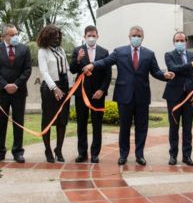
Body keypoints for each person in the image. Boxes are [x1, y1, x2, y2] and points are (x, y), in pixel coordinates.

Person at [83, 26, 175, 166]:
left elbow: (155, 72)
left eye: (139, 35)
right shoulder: (120, 51)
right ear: (129, 36)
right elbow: (106, 61)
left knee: (142, 127)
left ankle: (139, 155)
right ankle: (123, 155)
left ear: (142, 37)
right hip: (124, 96)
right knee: (124, 127)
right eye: (134, 35)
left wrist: (165, 76)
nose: (136, 38)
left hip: (142, 97)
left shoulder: (149, 54)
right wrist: (93, 65)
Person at [70, 25, 112, 163]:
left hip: (97, 94)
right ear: (84, 36)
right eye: (89, 35)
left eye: (94, 35)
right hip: (81, 93)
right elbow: (72, 70)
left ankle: (95, 153)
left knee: (97, 124)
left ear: (97, 36)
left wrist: (102, 90)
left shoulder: (104, 52)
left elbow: (108, 74)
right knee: (81, 124)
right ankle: (82, 153)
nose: (91, 38)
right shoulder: (78, 50)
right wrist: (78, 60)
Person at [163, 32, 193, 166]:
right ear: (174, 42)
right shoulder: (169, 55)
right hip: (173, 96)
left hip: (190, 96)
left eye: (182, 40)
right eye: (177, 40)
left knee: (188, 128)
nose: (180, 42)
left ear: (186, 41)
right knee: (174, 127)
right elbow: (174, 69)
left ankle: (187, 156)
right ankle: (173, 155)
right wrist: (191, 65)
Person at [37, 24, 73, 163]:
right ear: (47, 37)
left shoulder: (61, 50)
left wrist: (70, 86)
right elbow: (44, 72)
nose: (57, 38)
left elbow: (67, 68)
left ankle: (59, 149)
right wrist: (54, 88)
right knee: (48, 120)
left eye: (58, 36)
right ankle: (48, 149)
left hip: (64, 86)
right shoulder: (43, 51)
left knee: (62, 120)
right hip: (50, 88)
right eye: (54, 36)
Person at [0, 24, 32, 163]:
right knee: (1, 123)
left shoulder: (24, 49)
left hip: (19, 92)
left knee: (18, 122)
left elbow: (28, 70)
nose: (15, 37)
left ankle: (18, 151)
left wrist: (16, 85)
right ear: (3, 36)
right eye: (12, 35)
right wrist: (5, 85)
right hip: (2, 92)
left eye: (16, 34)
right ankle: (0, 152)